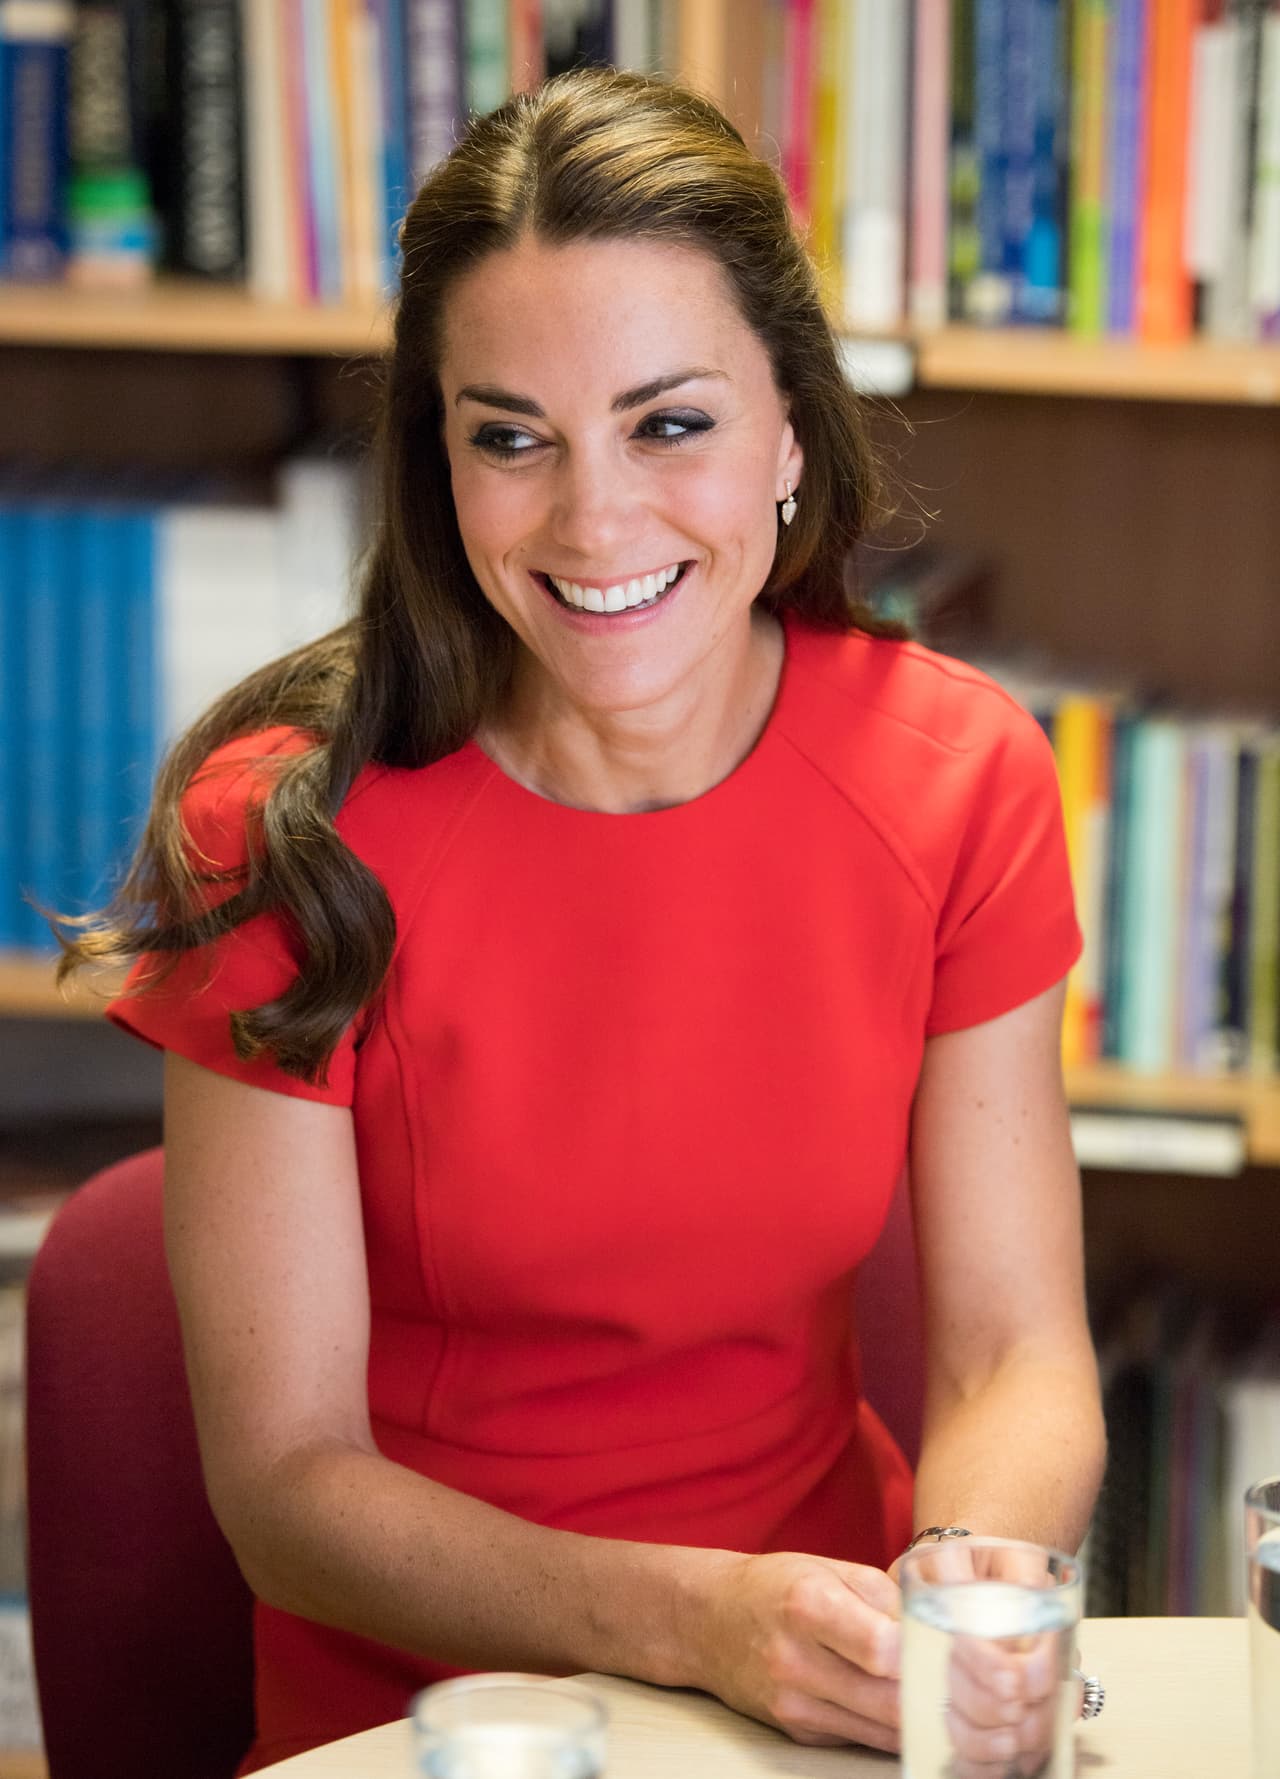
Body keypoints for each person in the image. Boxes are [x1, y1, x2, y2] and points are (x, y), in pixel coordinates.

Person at [61, 66, 1106, 1776]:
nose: (592, 519)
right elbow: (289, 1492)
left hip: (825, 1689)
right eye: (511, 437)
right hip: (432, 1723)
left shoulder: (955, 774)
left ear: (788, 430)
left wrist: (958, 1588)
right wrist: (701, 1619)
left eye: (669, 422)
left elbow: (1013, 1349)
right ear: (439, 458)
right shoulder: (283, 829)